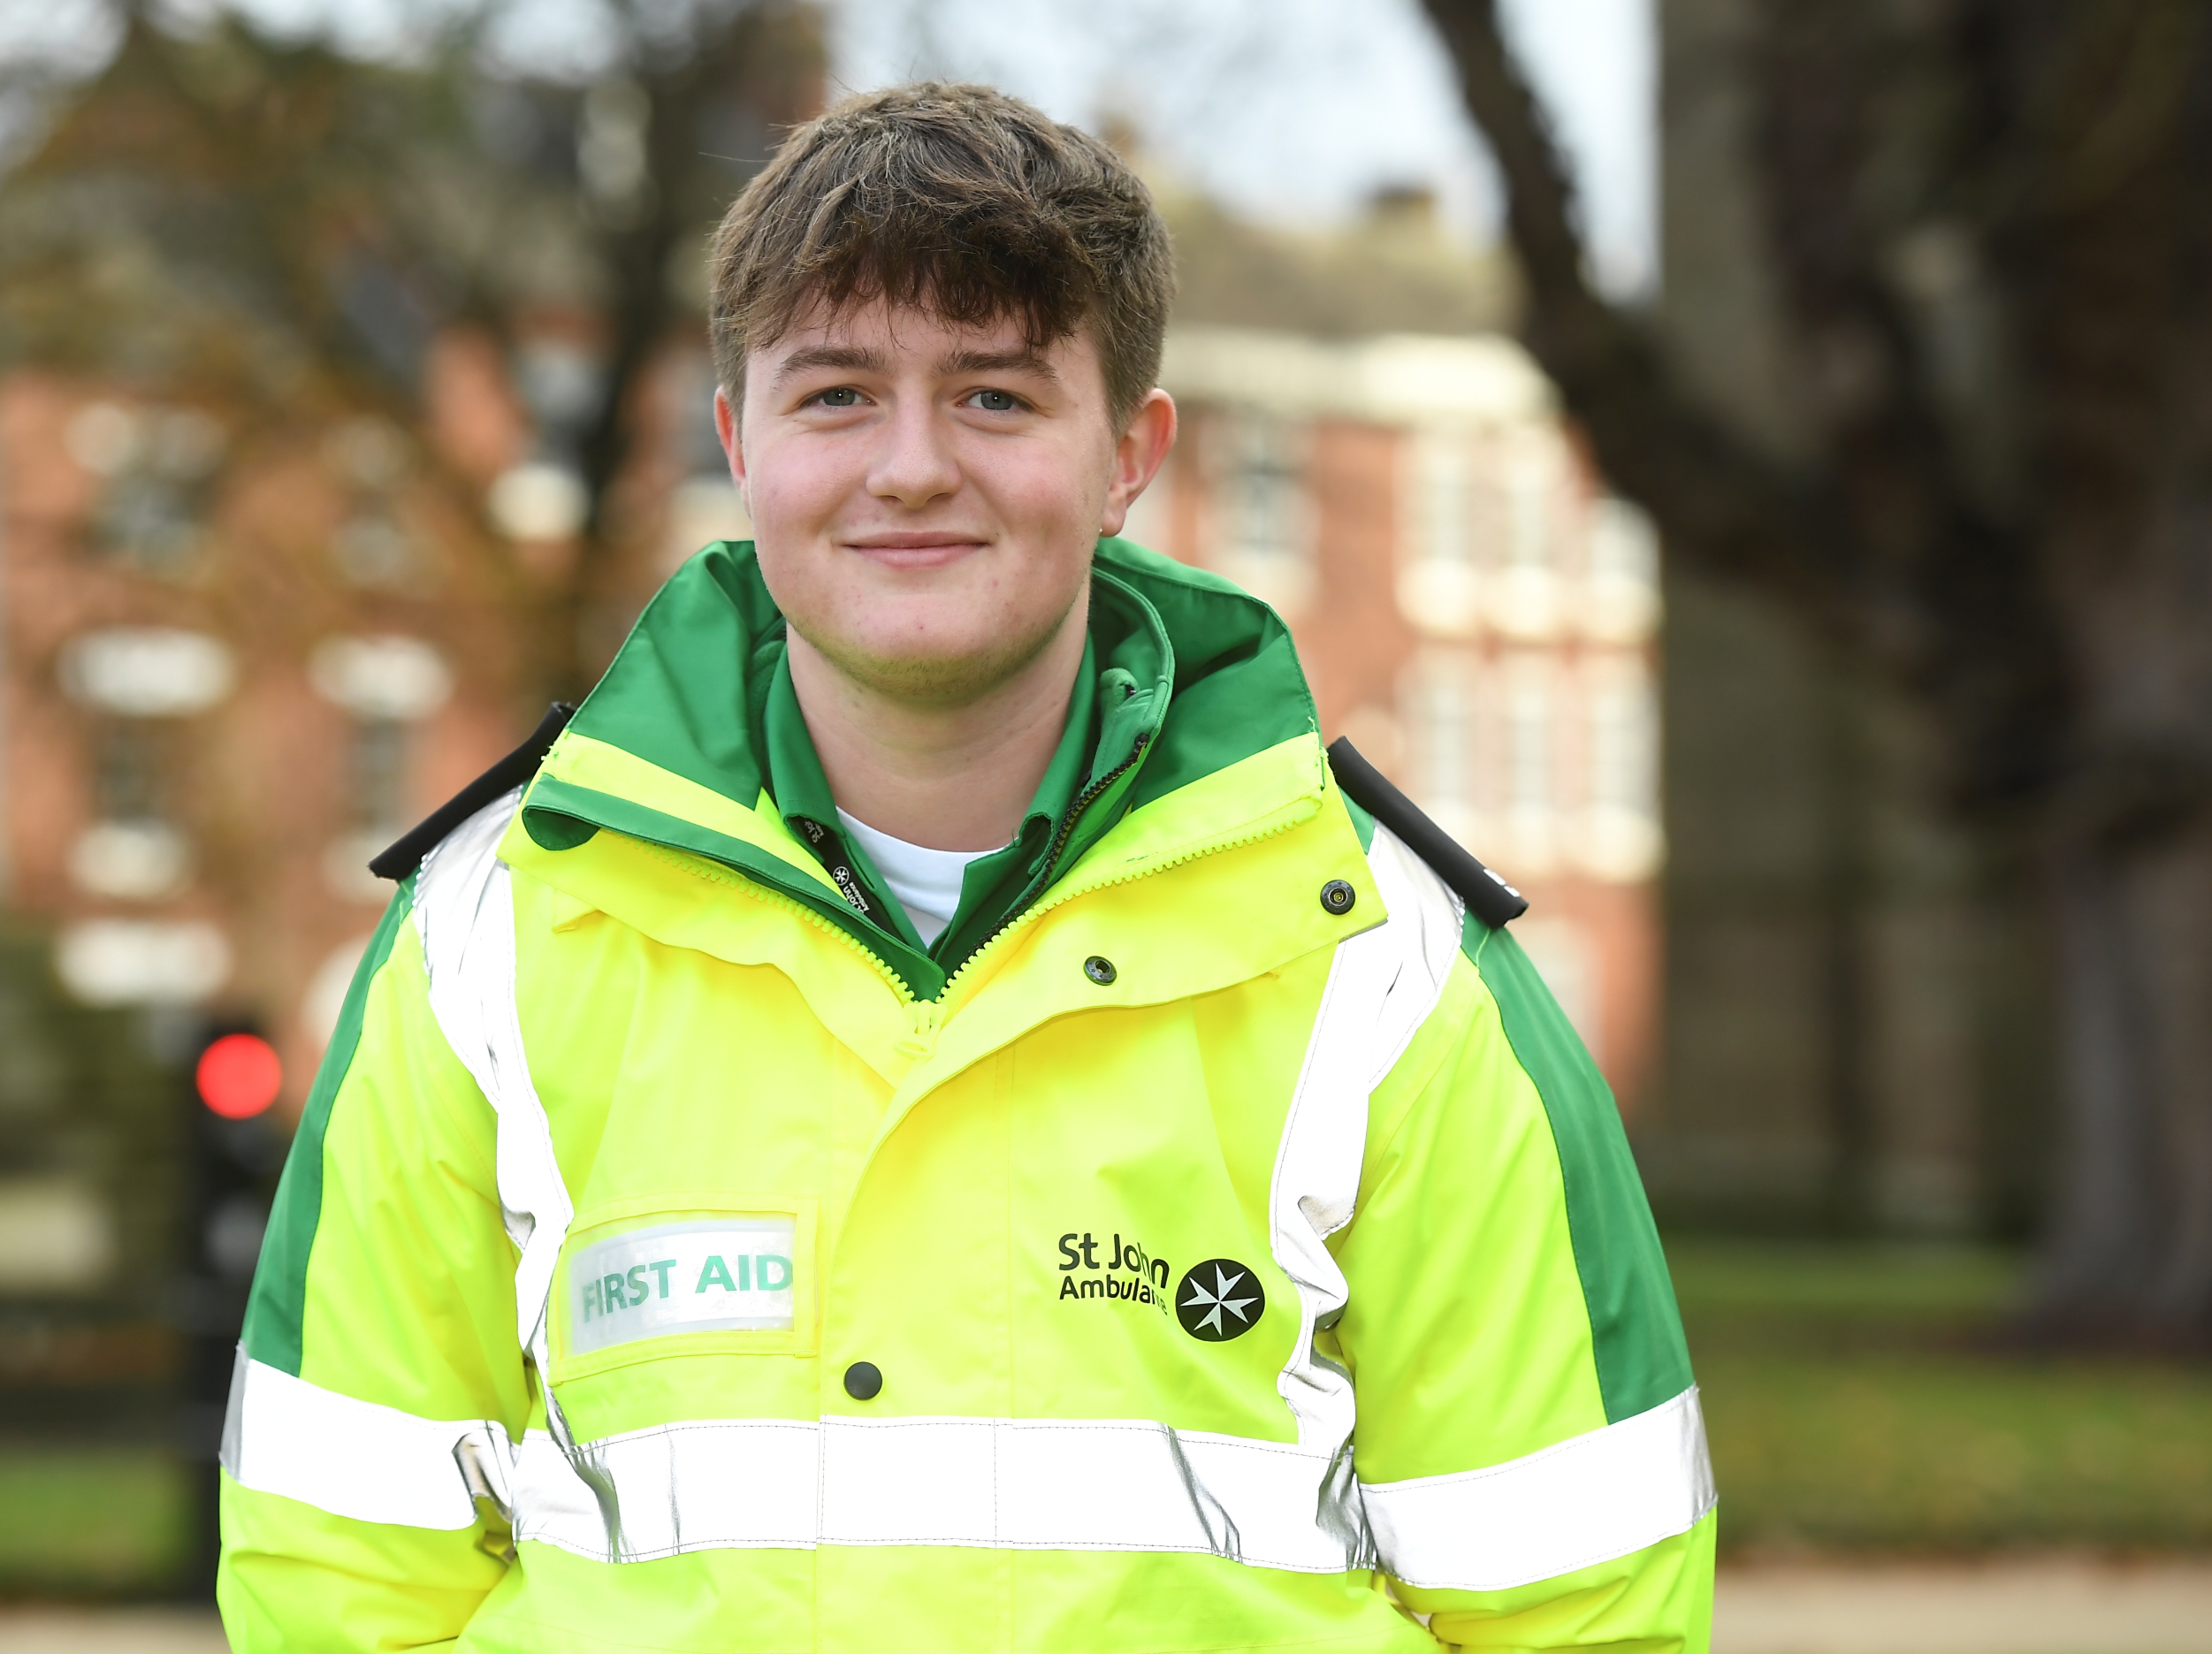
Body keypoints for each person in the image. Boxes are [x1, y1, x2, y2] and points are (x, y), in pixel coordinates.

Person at [217, 80, 1714, 1652]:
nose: (913, 466)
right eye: (837, 395)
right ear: (738, 441)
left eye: (995, 397)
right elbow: (337, 1588)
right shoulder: (492, 934)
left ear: (1130, 453)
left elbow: (1585, 1607)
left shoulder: (1387, 966)